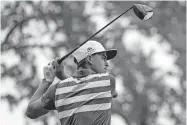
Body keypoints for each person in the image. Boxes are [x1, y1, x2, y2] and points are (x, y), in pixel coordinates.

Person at [26, 40, 118, 125]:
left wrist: (47, 80)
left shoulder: (58, 89)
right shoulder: (108, 80)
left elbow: (31, 111)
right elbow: (114, 94)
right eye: (103, 58)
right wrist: (63, 76)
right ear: (89, 58)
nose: (107, 63)